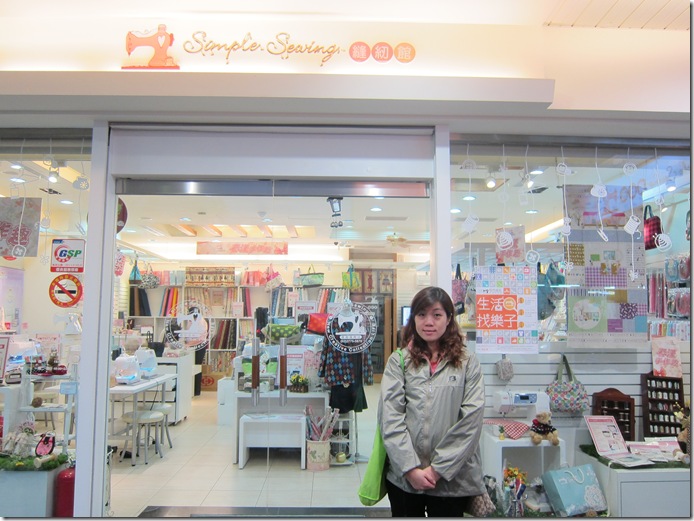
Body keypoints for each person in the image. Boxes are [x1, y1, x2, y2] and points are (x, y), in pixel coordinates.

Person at [379, 286, 485, 517]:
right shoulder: (399, 361)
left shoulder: (468, 362)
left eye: (437, 315)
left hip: (452, 480)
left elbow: (471, 421)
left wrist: (438, 470)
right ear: (413, 319)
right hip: (405, 480)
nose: (429, 322)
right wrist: (410, 469)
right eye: (421, 314)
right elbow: (390, 418)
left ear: (449, 318)